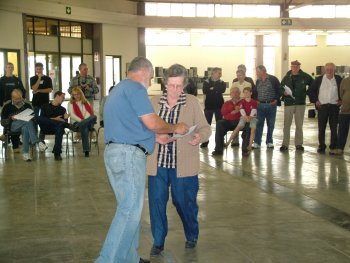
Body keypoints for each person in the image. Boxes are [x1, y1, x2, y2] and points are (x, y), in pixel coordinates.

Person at [96, 57, 188, 263]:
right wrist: (175, 127)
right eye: (151, 78)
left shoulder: (119, 89)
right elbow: (152, 122)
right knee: (129, 210)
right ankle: (106, 260)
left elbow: (129, 125)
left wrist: (155, 137)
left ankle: (129, 258)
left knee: (129, 209)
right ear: (146, 73)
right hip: (128, 156)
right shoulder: (135, 88)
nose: (150, 83)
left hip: (115, 153)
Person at [146, 64, 211, 257]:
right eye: (171, 85)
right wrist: (155, 137)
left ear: (185, 85)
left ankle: (192, 233)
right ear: (165, 83)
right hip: (158, 164)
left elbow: (206, 128)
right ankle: (158, 241)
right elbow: (143, 129)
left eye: (179, 86)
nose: (175, 90)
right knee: (157, 202)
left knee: (184, 202)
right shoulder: (154, 102)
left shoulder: (191, 102)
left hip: (183, 165)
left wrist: (199, 137)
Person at [1, 89, 47, 161]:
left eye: (20, 98)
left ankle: (25, 153)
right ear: (12, 98)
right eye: (16, 99)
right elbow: (2, 122)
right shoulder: (7, 107)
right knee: (27, 122)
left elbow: (34, 119)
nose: (19, 100)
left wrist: (30, 117)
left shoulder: (27, 105)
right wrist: (11, 118)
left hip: (26, 125)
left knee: (26, 127)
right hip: (13, 126)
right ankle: (38, 142)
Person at [308, 62, 342, 154]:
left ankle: (333, 146)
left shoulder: (338, 79)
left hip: (334, 107)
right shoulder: (319, 80)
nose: (329, 71)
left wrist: (341, 100)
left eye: (331, 69)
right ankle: (322, 146)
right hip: (322, 107)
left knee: (334, 128)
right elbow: (311, 91)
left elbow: (344, 90)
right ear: (324, 70)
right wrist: (316, 101)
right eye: (327, 69)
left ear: (334, 70)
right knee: (321, 128)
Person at [279, 60, 314, 152]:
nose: (294, 68)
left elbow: (313, 84)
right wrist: (284, 93)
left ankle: (298, 144)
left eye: (296, 66)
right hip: (289, 103)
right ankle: (285, 144)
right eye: (293, 66)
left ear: (299, 67)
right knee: (287, 125)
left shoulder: (305, 76)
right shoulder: (286, 77)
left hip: (300, 103)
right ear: (291, 67)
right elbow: (280, 87)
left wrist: (306, 92)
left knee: (299, 124)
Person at [36, 91, 73, 161]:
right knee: (38, 117)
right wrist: (55, 119)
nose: (63, 99)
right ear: (57, 96)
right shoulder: (44, 106)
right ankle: (68, 125)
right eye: (62, 97)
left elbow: (63, 122)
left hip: (56, 129)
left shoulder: (62, 109)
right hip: (45, 128)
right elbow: (42, 120)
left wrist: (65, 119)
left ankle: (57, 153)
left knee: (60, 128)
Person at [252, 65, 281, 149]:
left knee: (271, 124)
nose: (256, 73)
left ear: (263, 71)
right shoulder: (258, 81)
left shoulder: (273, 79)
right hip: (260, 105)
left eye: (258, 71)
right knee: (259, 124)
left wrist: (276, 99)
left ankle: (269, 141)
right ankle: (257, 142)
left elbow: (279, 90)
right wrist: (256, 100)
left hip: (271, 105)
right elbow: (255, 92)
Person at [225, 87, 257, 156]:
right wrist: (246, 117)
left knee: (253, 130)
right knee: (237, 128)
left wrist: (250, 117)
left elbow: (254, 110)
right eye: (244, 92)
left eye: (247, 92)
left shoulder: (254, 102)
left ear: (251, 93)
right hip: (244, 116)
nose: (246, 94)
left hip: (253, 117)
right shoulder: (242, 101)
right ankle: (229, 141)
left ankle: (250, 145)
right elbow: (242, 110)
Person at [67, 87, 97, 157]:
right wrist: (81, 121)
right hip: (77, 123)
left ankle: (81, 125)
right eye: (74, 94)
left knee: (94, 117)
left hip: (85, 123)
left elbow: (89, 113)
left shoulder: (86, 102)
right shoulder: (70, 103)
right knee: (85, 128)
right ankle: (86, 151)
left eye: (78, 94)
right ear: (72, 96)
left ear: (81, 94)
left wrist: (83, 121)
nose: (76, 96)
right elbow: (72, 115)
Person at [211, 87, 241, 156]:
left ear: (239, 93)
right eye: (233, 92)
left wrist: (232, 113)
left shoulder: (243, 102)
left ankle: (246, 149)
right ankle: (218, 149)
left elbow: (243, 114)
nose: (235, 94)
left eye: (236, 92)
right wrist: (233, 113)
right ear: (230, 94)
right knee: (219, 123)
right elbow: (223, 113)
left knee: (248, 125)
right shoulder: (227, 103)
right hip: (229, 122)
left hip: (240, 122)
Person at [201, 67, 226, 148]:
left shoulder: (222, 82)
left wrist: (212, 89)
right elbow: (205, 90)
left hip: (219, 106)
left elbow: (222, 90)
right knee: (207, 124)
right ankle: (205, 141)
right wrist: (215, 89)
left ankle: (219, 142)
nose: (220, 74)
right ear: (214, 73)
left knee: (220, 124)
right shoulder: (206, 82)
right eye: (219, 73)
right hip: (208, 106)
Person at [230, 68, 253, 147]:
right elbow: (233, 94)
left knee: (246, 120)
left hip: (245, 104)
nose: (239, 77)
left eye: (240, 75)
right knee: (236, 120)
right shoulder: (234, 83)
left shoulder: (248, 84)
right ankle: (235, 140)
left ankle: (245, 138)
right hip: (236, 104)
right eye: (237, 75)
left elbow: (247, 95)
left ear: (244, 76)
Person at [30, 62, 53, 140]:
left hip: (45, 102)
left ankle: (41, 138)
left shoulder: (48, 78)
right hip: (35, 103)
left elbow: (49, 89)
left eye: (40, 69)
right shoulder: (33, 78)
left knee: (43, 120)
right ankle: (34, 137)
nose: (39, 70)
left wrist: (39, 90)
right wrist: (39, 78)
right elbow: (34, 88)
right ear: (35, 69)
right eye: (37, 69)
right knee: (34, 120)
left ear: (43, 69)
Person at [334, 75, 350, 155]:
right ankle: (340, 148)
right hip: (345, 110)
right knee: (342, 130)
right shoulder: (345, 80)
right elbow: (341, 94)